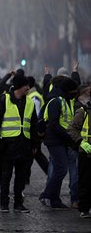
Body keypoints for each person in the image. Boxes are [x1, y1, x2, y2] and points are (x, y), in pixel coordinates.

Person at [0, 74, 38, 213]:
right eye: (25, 86)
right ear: (19, 87)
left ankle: (18, 203)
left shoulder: (29, 102)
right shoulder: (4, 100)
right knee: (6, 176)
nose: (28, 88)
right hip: (7, 145)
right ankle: (4, 204)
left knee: (21, 176)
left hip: (24, 144)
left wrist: (34, 144)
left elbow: (33, 124)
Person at [40, 77, 78, 210]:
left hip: (62, 140)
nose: (75, 93)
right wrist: (68, 136)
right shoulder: (55, 102)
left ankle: (54, 199)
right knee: (61, 169)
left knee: (58, 169)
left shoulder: (66, 100)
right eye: (73, 91)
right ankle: (46, 195)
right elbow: (54, 124)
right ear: (67, 90)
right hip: (54, 140)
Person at [67, 84, 91, 218]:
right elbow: (71, 129)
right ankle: (84, 208)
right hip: (86, 153)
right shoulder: (83, 111)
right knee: (85, 182)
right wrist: (81, 142)